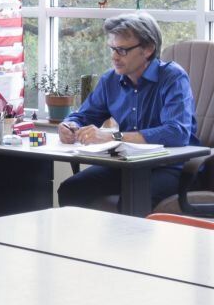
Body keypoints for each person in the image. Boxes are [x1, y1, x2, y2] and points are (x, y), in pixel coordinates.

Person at [55, 13, 197, 210]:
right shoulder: (110, 80)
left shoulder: (173, 78)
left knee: (132, 200)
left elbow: (177, 133)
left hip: (171, 167)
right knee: (72, 189)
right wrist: (70, 125)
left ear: (148, 49)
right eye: (112, 49)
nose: (114, 56)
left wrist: (114, 136)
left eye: (122, 50)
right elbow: (83, 116)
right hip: (127, 164)